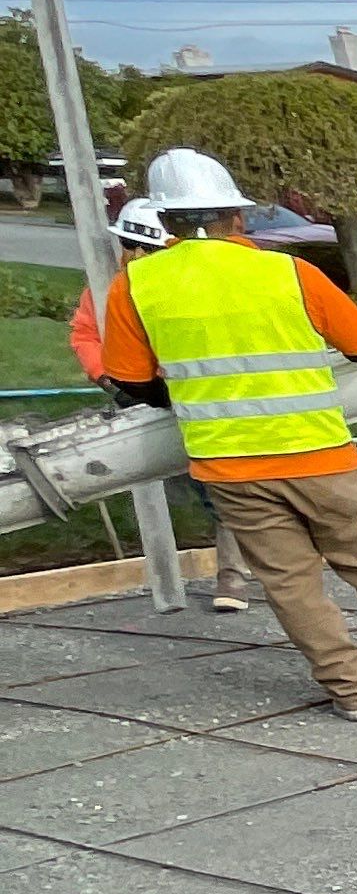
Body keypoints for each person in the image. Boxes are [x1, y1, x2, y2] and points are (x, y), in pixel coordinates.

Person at [101, 148, 357, 719]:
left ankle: (353, 693)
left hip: (231, 469)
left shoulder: (136, 285)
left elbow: (130, 379)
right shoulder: (289, 271)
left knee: (291, 586)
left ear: (165, 223)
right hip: (323, 458)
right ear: (236, 217)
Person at [72, 196, 251, 610]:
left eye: (145, 248)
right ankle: (163, 567)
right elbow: (86, 335)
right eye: (129, 246)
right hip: (141, 399)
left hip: (199, 400)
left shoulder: (195, 284)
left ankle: (232, 577)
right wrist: (110, 378)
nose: (134, 256)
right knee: (158, 485)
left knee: (222, 487)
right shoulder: (105, 289)